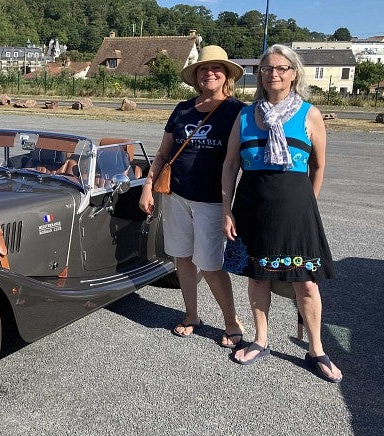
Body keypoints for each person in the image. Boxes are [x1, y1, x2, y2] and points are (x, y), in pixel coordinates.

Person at [221, 44, 343, 382]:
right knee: (258, 275)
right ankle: (261, 340)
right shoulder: (245, 116)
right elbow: (231, 165)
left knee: (305, 282)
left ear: (293, 73)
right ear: (259, 74)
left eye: (281, 68)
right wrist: (226, 210)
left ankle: (316, 349)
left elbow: (318, 166)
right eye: (267, 68)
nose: (274, 73)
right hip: (250, 206)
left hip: (295, 207)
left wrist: (306, 203)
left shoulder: (310, 114)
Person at [139, 45, 245, 348]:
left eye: (216, 69)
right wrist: (148, 187)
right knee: (182, 259)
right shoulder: (183, 108)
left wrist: (230, 208)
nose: (209, 73)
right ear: (196, 76)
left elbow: (236, 162)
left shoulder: (236, 111)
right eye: (203, 69)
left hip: (211, 200)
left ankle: (231, 322)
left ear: (226, 76)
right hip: (175, 195)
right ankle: (191, 315)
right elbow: (162, 153)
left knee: (210, 264)